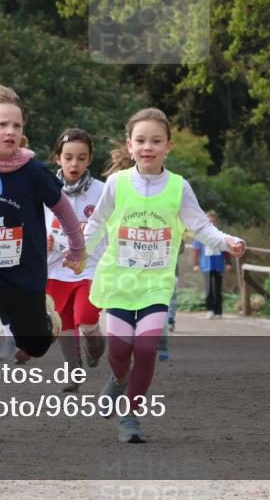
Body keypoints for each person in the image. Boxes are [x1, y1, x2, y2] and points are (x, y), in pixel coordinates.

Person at [83, 108, 245, 443]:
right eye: (141, 140)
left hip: (156, 283)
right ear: (130, 146)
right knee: (118, 349)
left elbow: (199, 225)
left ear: (168, 146)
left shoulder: (178, 187)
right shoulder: (116, 183)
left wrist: (226, 241)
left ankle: (129, 416)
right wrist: (77, 252)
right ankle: (117, 380)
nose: (148, 147)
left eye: (156, 141)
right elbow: (97, 224)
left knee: (145, 347)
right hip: (119, 281)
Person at [0, 85, 85, 442]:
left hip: (25, 276)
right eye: (2, 124)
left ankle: (45, 321)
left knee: (33, 345)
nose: (10, 132)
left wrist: (77, 248)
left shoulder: (32, 172)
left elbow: (62, 207)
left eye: (17, 126)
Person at [45, 128, 106, 388]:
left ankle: (94, 339)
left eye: (81, 158)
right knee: (63, 322)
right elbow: (35, 222)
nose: (74, 164)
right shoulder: (46, 188)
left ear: (89, 160)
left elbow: (111, 226)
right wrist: (42, 241)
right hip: (56, 268)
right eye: (68, 157)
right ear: (58, 158)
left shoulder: (103, 191)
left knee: (86, 315)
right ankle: (73, 372)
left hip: (89, 266)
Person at [192, 211, 231, 319]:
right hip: (206, 265)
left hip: (218, 265)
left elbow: (226, 249)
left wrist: (228, 263)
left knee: (218, 289)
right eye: (209, 222)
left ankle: (219, 311)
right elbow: (196, 250)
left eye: (213, 221)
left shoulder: (220, 235)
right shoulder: (200, 235)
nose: (211, 224)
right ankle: (210, 310)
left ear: (217, 223)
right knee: (208, 289)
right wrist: (195, 264)